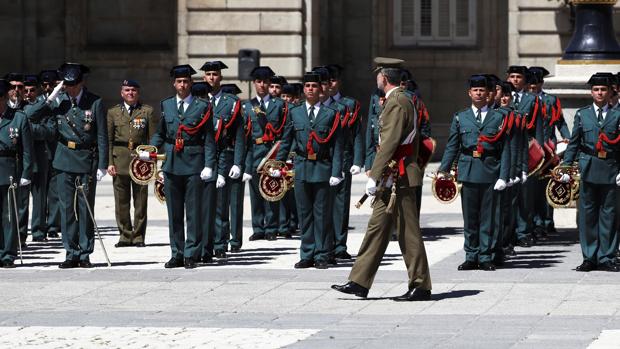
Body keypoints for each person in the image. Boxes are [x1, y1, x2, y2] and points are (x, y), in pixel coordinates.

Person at [332, 60, 432, 301]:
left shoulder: (397, 101)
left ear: (384, 78)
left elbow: (390, 142)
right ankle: (359, 281)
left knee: (408, 232)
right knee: (377, 228)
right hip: (392, 175)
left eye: (378, 74)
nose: (376, 78)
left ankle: (420, 285)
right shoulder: (400, 99)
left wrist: (374, 175)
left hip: (398, 175)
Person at [142, 64, 216, 269]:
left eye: (186, 81)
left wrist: (209, 164)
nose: (182, 85)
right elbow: (161, 132)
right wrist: (150, 150)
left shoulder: (202, 107)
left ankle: (191, 253)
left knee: (193, 212)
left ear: (191, 83)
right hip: (172, 164)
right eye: (179, 82)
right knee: (174, 213)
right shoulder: (167, 105)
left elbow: (209, 138)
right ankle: (177, 252)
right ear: (174, 84)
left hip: (194, 164)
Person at [438, 75, 510, 271]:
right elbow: (453, 145)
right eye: (475, 90)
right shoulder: (461, 117)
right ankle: (471, 255)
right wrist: (443, 169)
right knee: (470, 217)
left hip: (490, 170)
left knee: (488, 217)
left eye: (482, 90)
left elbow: (505, 148)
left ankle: (486, 256)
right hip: (468, 170)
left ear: (488, 94)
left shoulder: (499, 117)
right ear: (469, 93)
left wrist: (504, 175)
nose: (479, 93)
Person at [275, 72, 343, 269]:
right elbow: (286, 141)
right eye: (307, 86)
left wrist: (336, 172)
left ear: (320, 89)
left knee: (321, 214)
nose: (311, 89)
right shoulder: (295, 113)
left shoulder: (330, 114)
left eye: (314, 86)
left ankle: (322, 254)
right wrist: (278, 165)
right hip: (302, 167)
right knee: (305, 213)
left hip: (322, 168)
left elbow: (337, 146)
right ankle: (307, 253)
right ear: (303, 90)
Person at [49, 63, 108, 269]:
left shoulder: (95, 102)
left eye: (73, 85)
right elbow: (32, 115)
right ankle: (70, 251)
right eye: (67, 85)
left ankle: (84, 252)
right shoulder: (59, 101)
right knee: (67, 208)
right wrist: (51, 96)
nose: (71, 89)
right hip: (64, 158)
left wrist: (103, 164)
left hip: (86, 158)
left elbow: (101, 134)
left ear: (82, 82)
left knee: (84, 208)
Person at [559, 73, 620, 272]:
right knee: (588, 215)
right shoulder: (582, 114)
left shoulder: (618, 114)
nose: (600, 93)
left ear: (610, 91)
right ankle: (589, 257)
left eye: (603, 89)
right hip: (589, 168)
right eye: (596, 90)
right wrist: (566, 167)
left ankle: (607, 256)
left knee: (609, 215)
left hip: (611, 168)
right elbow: (574, 143)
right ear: (591, 92)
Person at [200, 61, 244, 261]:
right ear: (203, 78)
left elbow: (240, 135)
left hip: (224, 154)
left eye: (215, 74)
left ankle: (220, 243)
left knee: (221, 203)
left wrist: (238, 162)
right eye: (208, 74)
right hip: (201, 156)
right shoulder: (197, 99)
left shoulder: (231, 102)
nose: (211, 78)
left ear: (221, 77)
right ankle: (203, 242)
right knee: (201, 203)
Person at [107, 79, 158, 248]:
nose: (130, 93)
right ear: (122, 93)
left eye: (133, 90)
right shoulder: (113, 112)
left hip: (140, 161)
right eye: (127, 90)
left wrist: (152, 163)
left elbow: (153, 140)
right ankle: (124, 234)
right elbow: (108, 140)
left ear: (138, 93)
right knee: (121, 202)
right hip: (119, 159)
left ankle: (138, 236)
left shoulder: (147, 111)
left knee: (140, 201)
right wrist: (109, 162)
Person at [241, 66, 287, 241]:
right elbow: (244, 136)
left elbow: (283, 133)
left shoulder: (280, 105)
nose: (262, 85)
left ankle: (271, 227)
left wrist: (281, 157)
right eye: (259, 81)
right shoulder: (247, 106)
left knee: (272, 190)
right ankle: (258, 227)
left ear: (269, 83)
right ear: (254, 83)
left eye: (265, 82)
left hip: (272, 152)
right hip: (254, 152)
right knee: (255, 192)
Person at [325, 64, 364, 260]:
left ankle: (339, 245)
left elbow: (357, 134)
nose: (330, 84)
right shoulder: (321, 105)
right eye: (326, 80)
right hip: (324, 159)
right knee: (323, 203)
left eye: (333, 80)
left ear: (339, 82)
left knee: (340, 203)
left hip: (344, 159)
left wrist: (358, 160)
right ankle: (324, 245)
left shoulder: (350, 105)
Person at [0, 79, 33, 268]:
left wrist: (26, 173)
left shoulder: (18, 118)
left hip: (9, 170)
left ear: (5, 98)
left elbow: (27, 150)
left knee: (9, 215)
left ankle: (7, 254)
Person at [22, 74, 55, 243]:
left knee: (40, 197)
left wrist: (28, 129)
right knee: (21, 200)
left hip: (39, 157)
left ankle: (38, 231)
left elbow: (49, 132)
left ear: (37, 91)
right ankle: (20, 233)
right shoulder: (17, 109)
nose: (28, 94)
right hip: (21, 159)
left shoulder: (45, 109)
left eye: (32, 90)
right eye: (25, 90)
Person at [40, 70, 62, 239]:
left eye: (51, 84)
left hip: (56, 150)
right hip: (40, 151)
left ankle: (53, 225)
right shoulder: (40, 102)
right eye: (45, 85)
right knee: (41, 192)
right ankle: (39, 226)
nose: (48, 88)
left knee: (54, 191)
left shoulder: (62, 101)